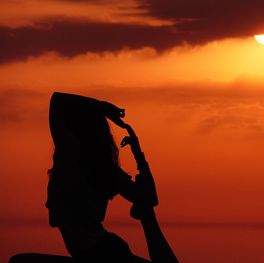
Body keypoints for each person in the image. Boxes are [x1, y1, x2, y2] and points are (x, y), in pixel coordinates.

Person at [9, 92, 179, 263]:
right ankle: (145, 216)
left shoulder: (77, 158)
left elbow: (57, 100)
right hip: (94, 253)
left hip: (104, 254)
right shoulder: (81, 161)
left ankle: (146, 217)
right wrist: (101, 107)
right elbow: (149, 197)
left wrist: (138, 153)